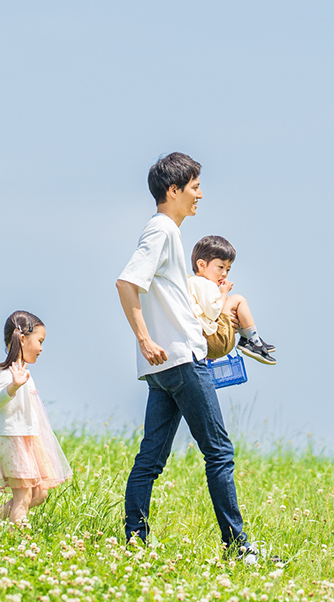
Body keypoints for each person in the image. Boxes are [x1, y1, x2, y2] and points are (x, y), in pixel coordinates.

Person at [115, 152, 277, 563]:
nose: (200, 194)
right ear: (174, 190)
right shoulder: (162, 231)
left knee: (150, 459)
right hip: (182, 361)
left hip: (165, 366)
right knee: (219, 452)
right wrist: (145, 339)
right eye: (195, 186)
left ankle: (135, 542)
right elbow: (126, 282)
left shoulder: (167, 232)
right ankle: (238, 547)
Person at [0, 311, 72, 528]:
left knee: (40, 493)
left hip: (27, 439)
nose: (42, 348)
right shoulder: (8, 373)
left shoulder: (23, 372)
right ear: (23, 339)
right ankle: (18, 544)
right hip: (12, 438)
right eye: (40, 341)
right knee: (22, 499)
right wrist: (13, 386)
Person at [187, 235, 278, 364]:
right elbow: (214, 312)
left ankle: (248, 338)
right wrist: (223, 293)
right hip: (214, 342)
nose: (224, 273)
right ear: (201, 265)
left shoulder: (190, 282)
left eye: (228, 269)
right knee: (237, 299)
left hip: (201, 343)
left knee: (230, 303)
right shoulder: (207, 285)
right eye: (220, 267)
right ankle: (252, 340)